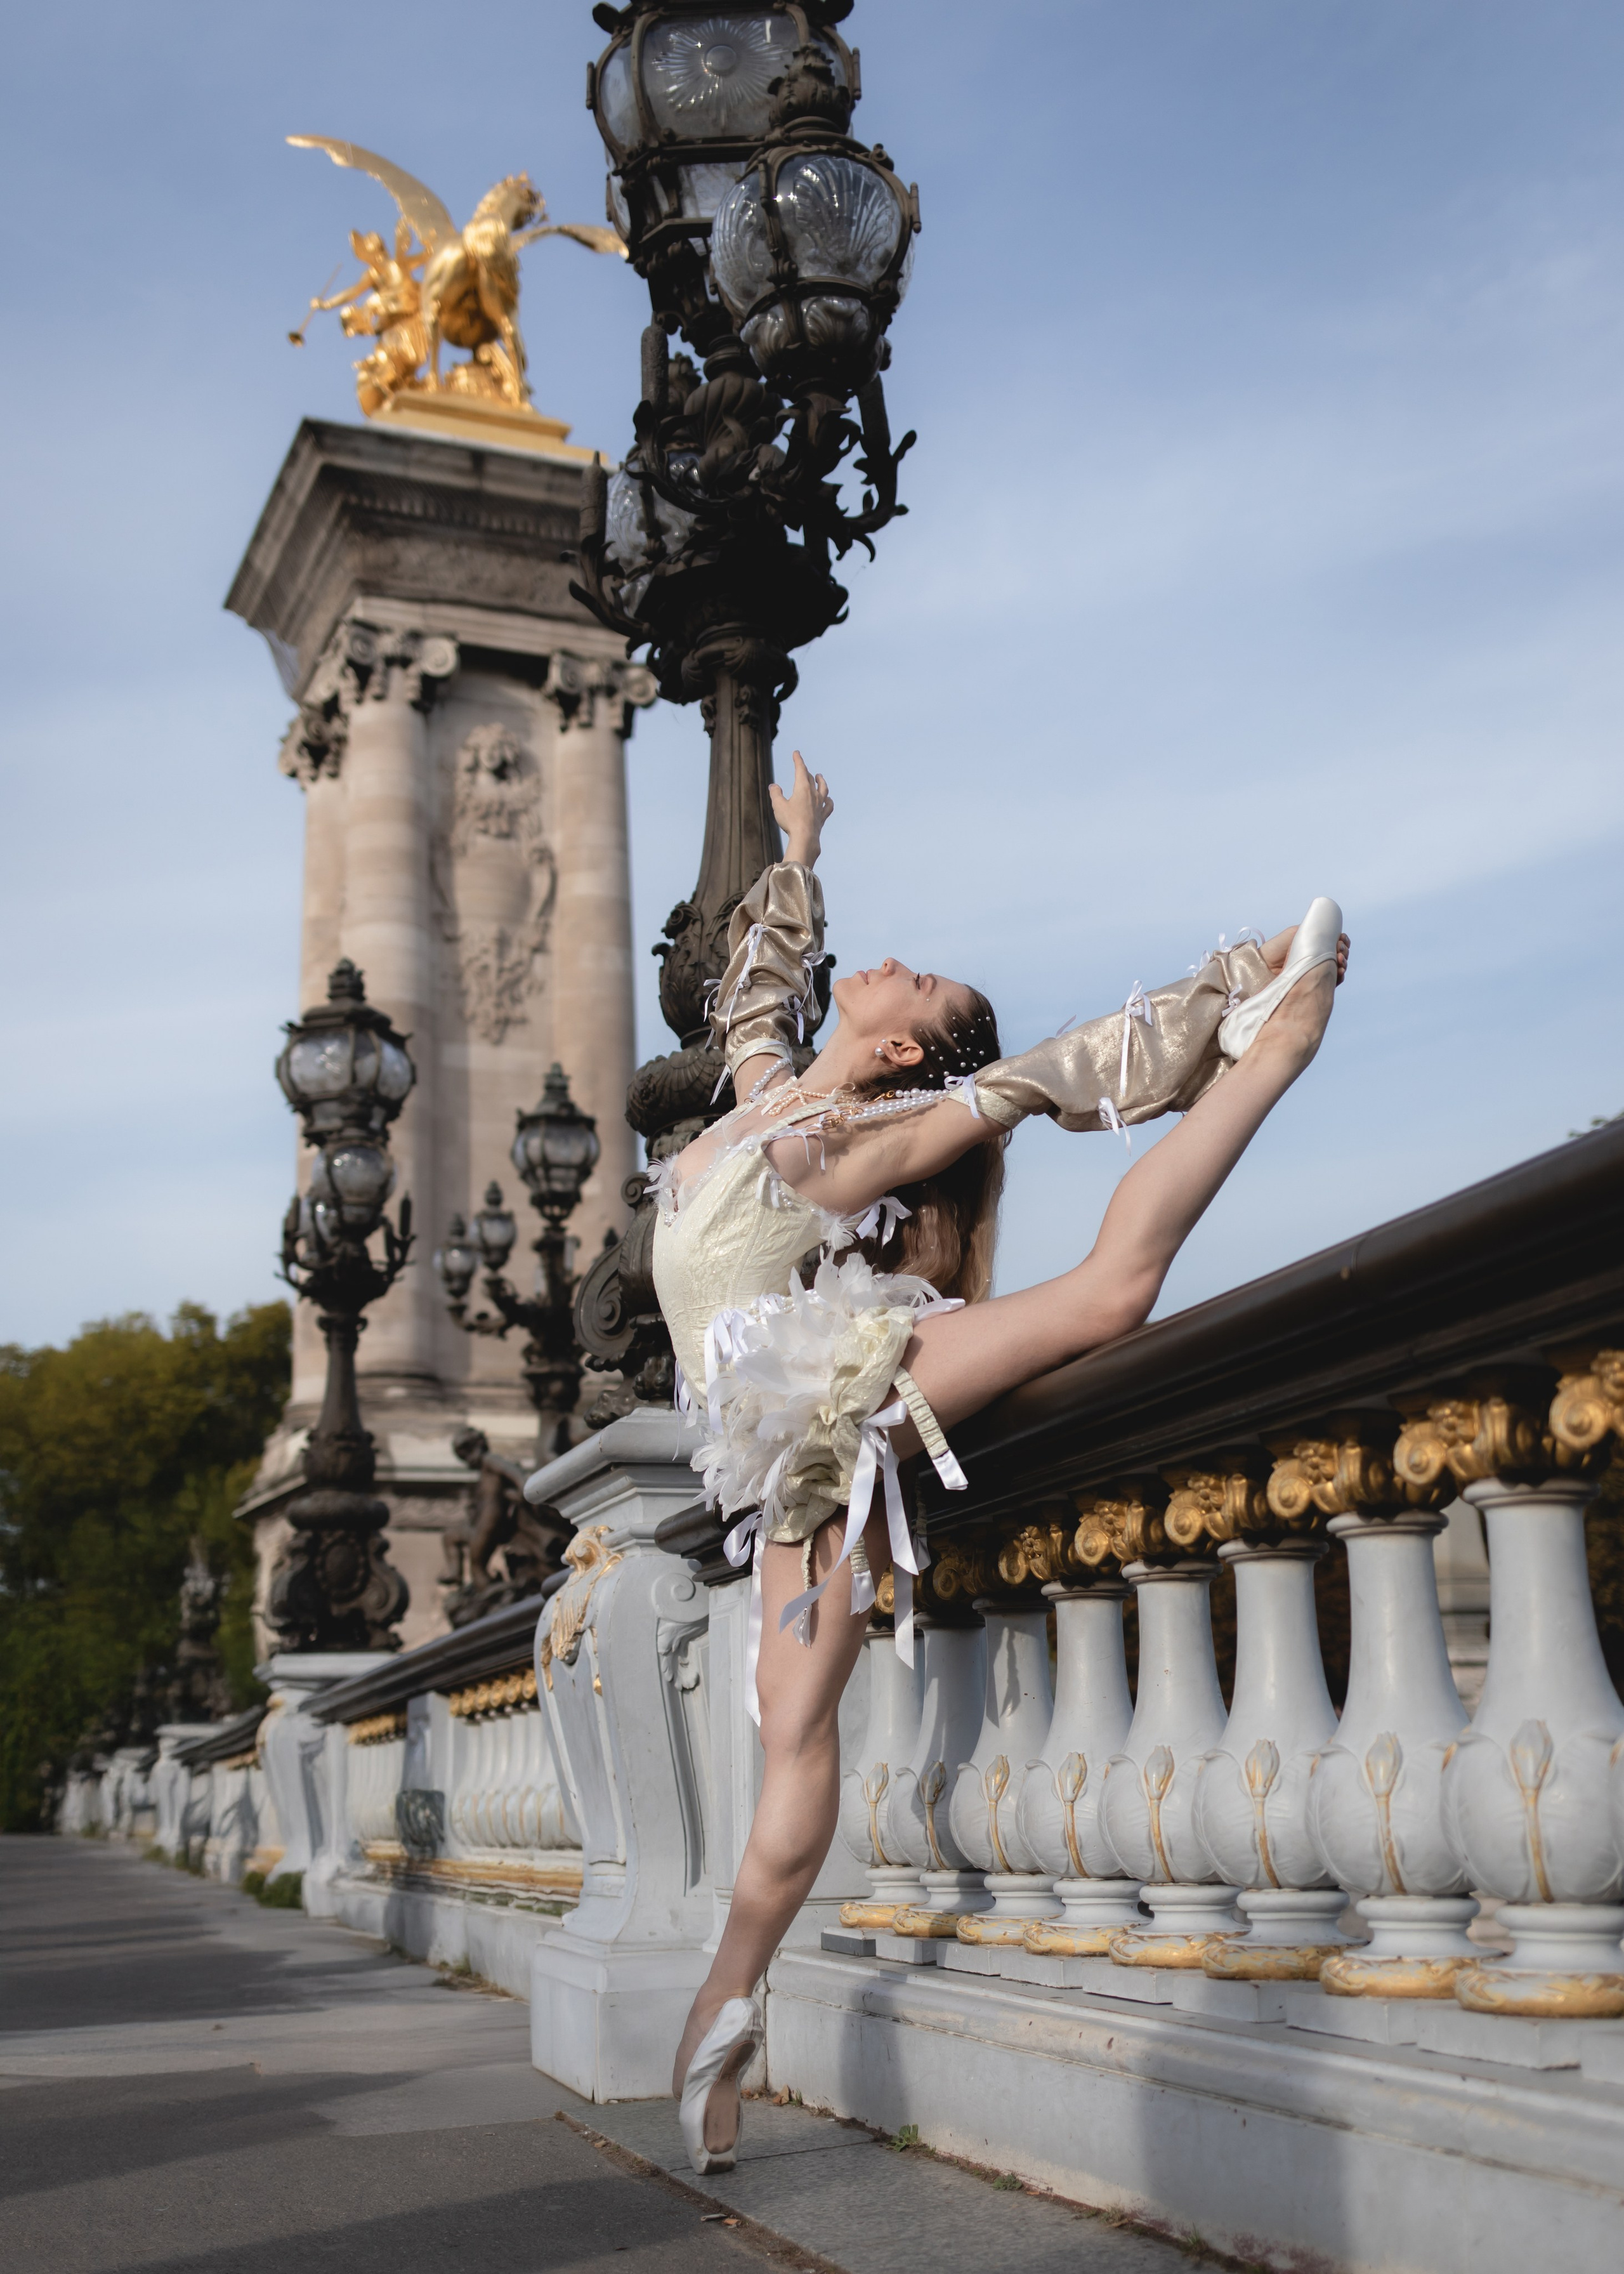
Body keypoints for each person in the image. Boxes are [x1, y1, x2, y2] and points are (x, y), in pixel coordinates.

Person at [654, 753, 1349, 2172]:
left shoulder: (863, 1139)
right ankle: (717, 2020)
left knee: (1107, 1294)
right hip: (776, 1443)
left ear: (910, 1052)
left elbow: (1049, 1071)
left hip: (831, 1378)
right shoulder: (770, 1094)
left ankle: (1273, 1050)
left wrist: (1227, 989)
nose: (889, 965)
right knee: (792, 1739)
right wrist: (801, 841)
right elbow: (754, 987)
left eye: (913, 983)